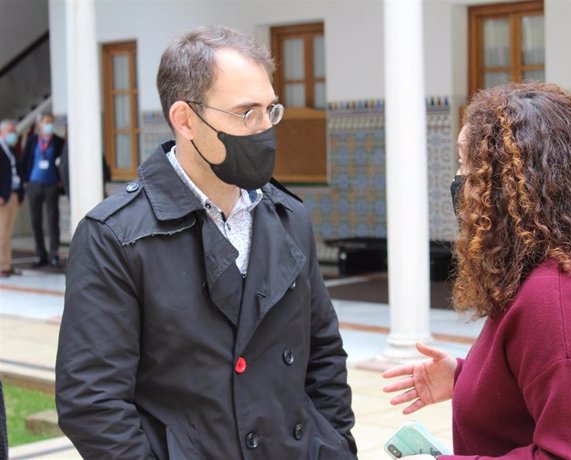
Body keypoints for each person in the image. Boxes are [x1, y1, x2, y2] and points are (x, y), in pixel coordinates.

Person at [55, 25, 357, 460]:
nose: (262, 129)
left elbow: (324, 356)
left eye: (270, 110)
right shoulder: (115, 237)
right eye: (245, 113)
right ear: (185, 119)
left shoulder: (290, 217)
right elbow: (92, 402)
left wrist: (334, 449)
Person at [383, 82, 571, 459]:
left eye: (467, 162)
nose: (459, 178)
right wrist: (467, 379)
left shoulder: (555, 302)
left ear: (507, 182)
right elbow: (554, 388)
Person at [22, 113, 65, 267]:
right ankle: (41, 254)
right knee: (36, 221)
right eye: (46, 122)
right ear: (40, 124)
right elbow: (25, 160)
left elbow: (63, 162)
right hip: (34, 184)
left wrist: (61, 182)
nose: (49, 125)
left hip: (52, 185)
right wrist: (25, 180)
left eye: (51, 122)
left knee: (53, 219)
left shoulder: (59, 141)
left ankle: (54, 253)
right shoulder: (33, 140)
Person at [0, 119, 24, 277]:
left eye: (14, 131)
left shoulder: (11, 149)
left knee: (8, 233)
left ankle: (6, 265)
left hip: (13, 194)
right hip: (3, 196)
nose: (13, 135)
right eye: (10, 131)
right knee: (1, 233)